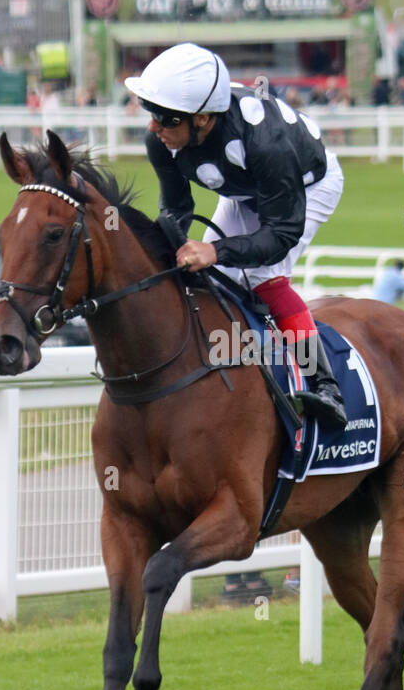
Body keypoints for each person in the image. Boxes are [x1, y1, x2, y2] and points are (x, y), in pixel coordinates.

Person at [126, 41, 347, 428]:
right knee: (212, 276)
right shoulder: (161, 141)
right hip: (246, 189)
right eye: (151, 114)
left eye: (165, 118)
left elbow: (280, 234)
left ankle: (325, 385)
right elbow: (177, 209)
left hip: (308, 187)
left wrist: (216, 250)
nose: (154, 126)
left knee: (264, 277)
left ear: (204, 119)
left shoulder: (266, 143)